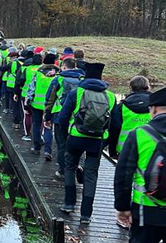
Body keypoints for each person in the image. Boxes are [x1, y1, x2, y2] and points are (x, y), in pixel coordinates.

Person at [58, 63, 116, 224]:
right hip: (96, 142)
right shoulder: (111, 97)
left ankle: (69, 204)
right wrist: (105, 143)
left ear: (85, 76)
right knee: (91, 175)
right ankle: (86, 215)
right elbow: (115, 124)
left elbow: (63, 116)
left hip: (76, 138)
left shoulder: (77, 92)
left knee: (69, 168)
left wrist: (65, 134)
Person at [114, 87, 166, 242]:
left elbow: (123, 174)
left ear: (153, 109)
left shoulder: (139, 134)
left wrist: (122, 207)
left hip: (145, 210)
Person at [44, 58, 84, 177]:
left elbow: (50, 99)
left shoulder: (59, 79)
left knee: (61, 144)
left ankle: (62, 171)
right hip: (78, 118)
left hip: (59, 116)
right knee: (76, 145)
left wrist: (47, 117)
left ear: (64, 67)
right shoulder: (82, 80)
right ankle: (76, 166)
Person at [108, 76, 153, 159]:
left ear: (131, 88)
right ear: (148, 87)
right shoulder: (157, 106)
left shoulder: (122, 106)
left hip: (126, 149)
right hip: (151, 148)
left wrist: (112, 151)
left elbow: (115, 128)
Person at [27, 53, 60, 159]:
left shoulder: (38, 73)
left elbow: (31, 88)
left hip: (37, 104)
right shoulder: (58, 75)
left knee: (36, 125)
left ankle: (36, 148)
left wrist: (28, 101)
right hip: (52, 106)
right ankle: (47, 151)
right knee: (48, 127)